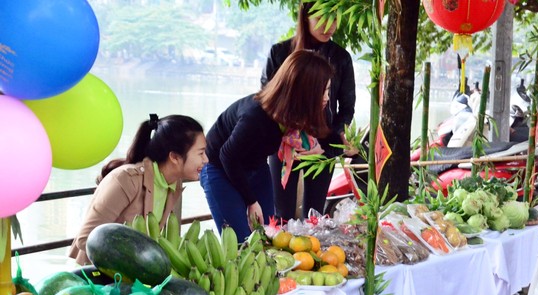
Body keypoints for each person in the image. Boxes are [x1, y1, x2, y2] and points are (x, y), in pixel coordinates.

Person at [203, 50, 335, 241]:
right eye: (323, 90)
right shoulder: (255, 116)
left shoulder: (294, 112)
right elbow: (227, 156)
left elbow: (325, 137)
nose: (327, 97)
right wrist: (251, 201)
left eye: (328, 90)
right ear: (305, 91)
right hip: (220, 167)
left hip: (254, 166)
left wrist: (317, 148)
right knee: (242, 242)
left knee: (268, 236)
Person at [261, 1, 356, 221]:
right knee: (281, 213)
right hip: (283, 143)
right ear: (305, 16)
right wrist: (287, 136)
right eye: (322, 18)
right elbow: (266, 101)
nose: (329, 26)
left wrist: (337, 138)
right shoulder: (279, 52)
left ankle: (313, 254)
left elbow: (347, 108)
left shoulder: (341, 57)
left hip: (323, 142)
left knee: (315, 213)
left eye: (334, 18)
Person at [70, 114, 207, 265]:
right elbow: (85, 238)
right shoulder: (126, 180)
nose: (206, 159)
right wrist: (137, 259)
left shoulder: (173, 184)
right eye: (201, 153)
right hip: (96, 277)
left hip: (133, 278)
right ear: (174, 157)